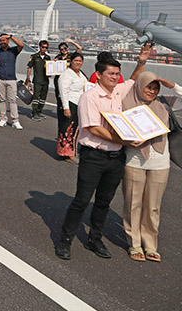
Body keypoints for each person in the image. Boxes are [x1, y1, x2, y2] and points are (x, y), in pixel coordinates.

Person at [54, 45, 150, 261]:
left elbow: (134, 80)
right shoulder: (90, 97)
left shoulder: (118, 92)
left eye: (117, 74)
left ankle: (94, 239)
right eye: (111, 74)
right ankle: (65, 239)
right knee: (81, 200)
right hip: (94, 157)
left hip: (116, 159)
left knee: (104, 203)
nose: (115, 77)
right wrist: (123, 140)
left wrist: (142, 61)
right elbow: (94, 128)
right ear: (99, 75)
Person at [121, 72, 182, 263]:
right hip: (134, 160)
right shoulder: (125, 104)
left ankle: (150, 244)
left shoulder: (164, 103)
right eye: (148, 87)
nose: (152, 91)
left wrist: (171, 85)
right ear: (140, 86)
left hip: (160, 162)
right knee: (133, 203)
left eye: (155, 88)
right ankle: (135, 243)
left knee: (153, 206)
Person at [57, 53, 86, 162]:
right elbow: (64, 92)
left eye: (80, 61)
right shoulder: (67, 74)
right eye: (76, 60)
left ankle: (71, 151)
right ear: (71, 61)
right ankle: (66, 153)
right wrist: (66, 107)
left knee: (74, 129)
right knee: (66, 128)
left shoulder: (80, 74)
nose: (78, 63)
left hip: (78, 103)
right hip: (69, 103)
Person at [0, 33, 25, 130]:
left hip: (11, 79)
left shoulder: (13, 51)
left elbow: (21, 45)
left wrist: (11, 36)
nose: (2, 42)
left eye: (4, 40)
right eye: (0, 40)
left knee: (12, 100)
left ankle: (15, 121)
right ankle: (3, 118)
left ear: (8, 41)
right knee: (1, 100)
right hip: (0, 79)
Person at [25, 40, 51, 121]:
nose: (44, 49)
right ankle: (34, 113)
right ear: (39, 47)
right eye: (43, 47)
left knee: (43, 98)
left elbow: (50, 69)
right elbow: (29, 67)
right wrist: (28, 77)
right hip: (37, 80)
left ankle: (39, 111)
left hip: (45, 81)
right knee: (36, 97)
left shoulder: (48, 58)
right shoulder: (34, 56)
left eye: (46, 47)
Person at [54, 39, 82, 106]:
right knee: (59, 94)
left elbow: (79, 48)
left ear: (68, 48)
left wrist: (72, 42)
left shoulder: (71, 56)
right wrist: (54, 62)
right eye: (61, 49)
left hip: (69, 78)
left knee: (68, 94)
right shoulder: (58, 57)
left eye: (65, 48)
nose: (64, 50)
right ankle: (60, 108)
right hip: (59, 78)